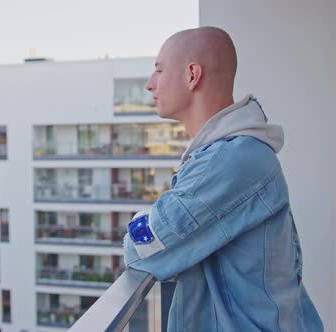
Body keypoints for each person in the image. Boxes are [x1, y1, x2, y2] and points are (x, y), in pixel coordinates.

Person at [123, 27, 323, 331]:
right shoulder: (227, 154)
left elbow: (144, 249)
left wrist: (143, 220)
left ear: (192, 75)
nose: (150, 85)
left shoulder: (229, 161)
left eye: (159, 70)